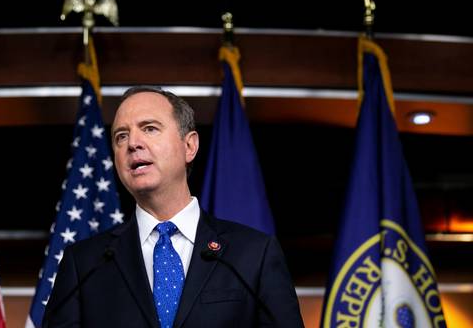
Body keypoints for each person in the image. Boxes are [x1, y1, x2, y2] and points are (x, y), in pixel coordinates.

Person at [43, 86, 304, 327]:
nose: (133, 143)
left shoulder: (253, 255)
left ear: (189, 145)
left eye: (149, 128)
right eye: (121, 136)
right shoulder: (84, 264)